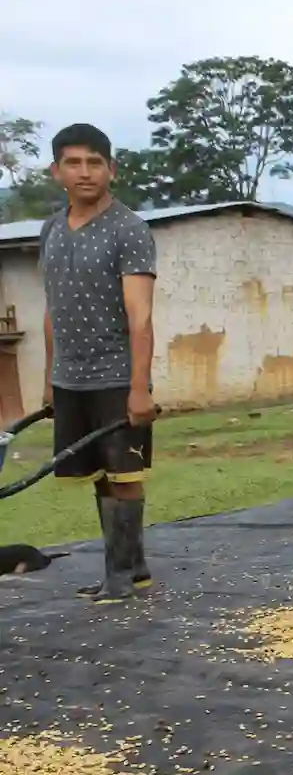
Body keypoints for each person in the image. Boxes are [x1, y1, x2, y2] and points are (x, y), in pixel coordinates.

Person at [38, 123, 159, 604]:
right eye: (73, 162)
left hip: (115, 375)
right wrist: (50, 380)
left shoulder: (129, 230)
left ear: (112, 168)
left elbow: (141, 316)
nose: (84, 172)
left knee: (125, 475)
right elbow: (51, 310)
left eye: (94, 162)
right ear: (56, 171)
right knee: (99, 475)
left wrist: (139, 388)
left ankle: (121, 577)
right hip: (70, 377)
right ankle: (132, 568)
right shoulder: (50, 229)